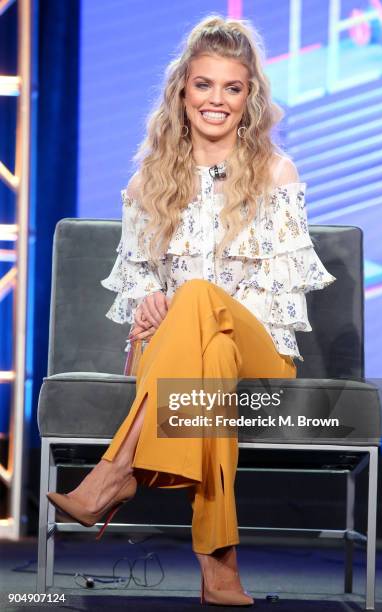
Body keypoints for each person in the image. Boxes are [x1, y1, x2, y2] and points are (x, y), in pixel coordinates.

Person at [46, 14, 336, 606]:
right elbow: (137, 297)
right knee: (208, 358)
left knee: (202, 300)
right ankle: (218, 565)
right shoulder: (146, 184)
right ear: (182, 91)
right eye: (204, 85)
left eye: (232, 88)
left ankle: (117, 470)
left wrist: (181, 306)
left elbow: (284, 300)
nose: (216, 100)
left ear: (249, 97)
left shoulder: (277, 175)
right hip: (183, 362)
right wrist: (152, 307)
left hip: (266, 354)